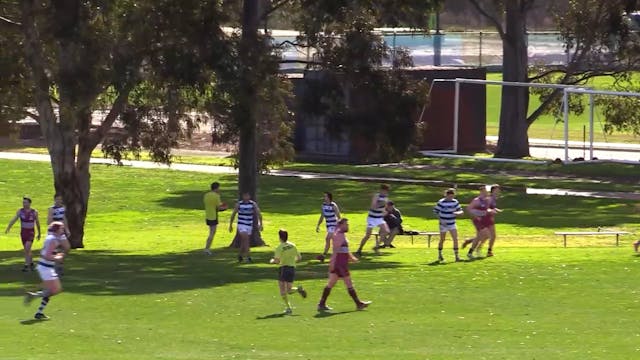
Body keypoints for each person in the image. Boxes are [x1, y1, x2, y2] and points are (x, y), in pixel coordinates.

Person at [317, 218, 371, 312]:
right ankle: (359, 304)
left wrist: (351, 258)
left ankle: (321, 304)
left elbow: (345, 250)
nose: (348, 226)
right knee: (348, 283)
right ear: (341, 225)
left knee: (331, 283)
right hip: (339, 264)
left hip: (340, 263)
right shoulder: (338, 235)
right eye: (346, 224)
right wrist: (333, 263)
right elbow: (336, 251)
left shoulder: (342, 235)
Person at [23, 221, 69, 320]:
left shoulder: (51, 238)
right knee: (55, 289)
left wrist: (57, 255)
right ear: (57, 229)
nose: (63, 230)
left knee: (54, 290)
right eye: (61, 228)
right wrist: (57, 258)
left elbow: (44, 252)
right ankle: (34, 298)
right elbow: (47, 256)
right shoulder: (52, 240)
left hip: (46, 267)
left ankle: (39, 311)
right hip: (45, 267)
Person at [270, 229, 307, 314]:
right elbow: (299, 258)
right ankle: (298, 289)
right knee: (289, 290)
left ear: (280, 237)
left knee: (283, 290)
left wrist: (272, 261)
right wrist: (292, 261)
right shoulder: (293, 245)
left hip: (283, 268)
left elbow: (277, 261)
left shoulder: (279, 248)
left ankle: (288, 308)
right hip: (292, 268)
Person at [5, 197, 41, 272]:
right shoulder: (20, 211)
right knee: (27, 249)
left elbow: (37, 223)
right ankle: (31, 263)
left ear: (29, 203)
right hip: (23, 232)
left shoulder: (34, 212)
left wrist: (39, 233)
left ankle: (26, 265)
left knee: (27, 249)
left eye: (25, 202)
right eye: (23, 202)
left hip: (31, 232)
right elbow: (14, 219)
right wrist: (9, 227)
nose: (24, 204)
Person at [355, 184, 391, 256]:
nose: (385, 192)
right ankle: (359, 249)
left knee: (386, 231)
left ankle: (376, 246)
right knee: (368, 235)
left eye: (387, 191)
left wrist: (385, 212)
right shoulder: (376, 196)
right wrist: (381, 203)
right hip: (371, 218)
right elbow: (373, 207)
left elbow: (384, 208)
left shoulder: (386, 198)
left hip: (379, 218)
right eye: (384, 191)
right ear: (381, 190)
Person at [229, 192, 263, 263]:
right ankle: (248, 257)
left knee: (244, 241)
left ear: (249, 196)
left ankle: (240, 255)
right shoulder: (239, 204)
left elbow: (258, 213)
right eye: (245, 195)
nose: (246, 197)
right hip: (241, 225)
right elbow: (233, 214)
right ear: (243, 196)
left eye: (247, 195)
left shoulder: (253, 204)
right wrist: (230, 225)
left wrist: (261, 224)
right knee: (246, 239)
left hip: (249, 225)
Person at [433, 188, 464, 262]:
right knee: (442, 239)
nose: (451, 198)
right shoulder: (441, 202)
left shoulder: (455, 202)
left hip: (452, 223)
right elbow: (435, 211)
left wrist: (458, 213)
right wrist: (441, 220)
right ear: (446, 195)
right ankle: (440, 255)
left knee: (455, 239)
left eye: (452, 196)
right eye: (449, 196)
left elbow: (460, 211)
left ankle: (457, 256)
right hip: (443, 224)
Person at [464, 186, 493, 259]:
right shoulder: (477, 200)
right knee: (486, 235)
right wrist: (476, 215)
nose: (487, 192)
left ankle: (471, 251)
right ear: (482, 192)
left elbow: (487, 209)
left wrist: (490, 211)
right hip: (477, 220)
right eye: (486, 191)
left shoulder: (487, 200)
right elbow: (469, 208)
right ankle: (475, 251)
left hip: (484, 219)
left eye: (487, 191)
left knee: (483, 236)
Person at [47, 193, 70, 276]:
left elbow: (64, 219)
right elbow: (49, 222)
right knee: (55, 249)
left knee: (67, 247)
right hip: (53, 232)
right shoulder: (51, 209)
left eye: (60, 199)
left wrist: (67, 229)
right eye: (57, 199)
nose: (59, 201)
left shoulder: (63, 208)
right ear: (54, 200)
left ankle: (58, 264)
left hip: (61, 231)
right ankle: (56, 268)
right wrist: (53, 216)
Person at [315, 192, 341, 261]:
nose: (324, 198)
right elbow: (322, 216)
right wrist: (318, 225)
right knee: (331, 240)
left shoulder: (333, 205)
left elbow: (338, 216)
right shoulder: (323, 205)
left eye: (325, 196)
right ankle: (336, 254)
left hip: (334, 225)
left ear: (329, 198)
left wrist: (340, 225)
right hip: (328, 226)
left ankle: (324, 255)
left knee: (328, 238)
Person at [203, 182, 228, 255]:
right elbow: (219, 207)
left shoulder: (206, 195)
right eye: (219, 188)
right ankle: (207, 248)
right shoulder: (216, 196)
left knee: (211, 232)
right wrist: (225, 207)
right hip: (213, 216)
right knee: (212, 233)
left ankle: (207, 248)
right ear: (216, 188)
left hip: (208, 215)